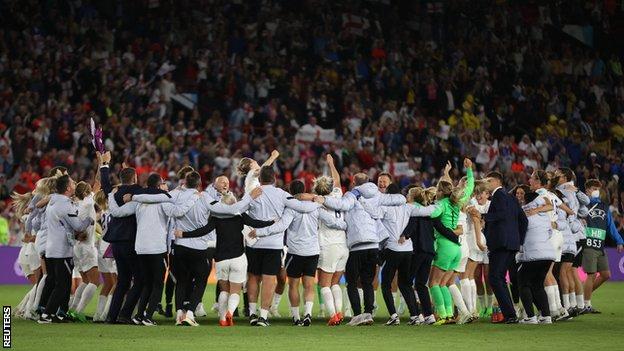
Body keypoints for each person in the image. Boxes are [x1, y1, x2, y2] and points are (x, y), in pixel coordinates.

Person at [315, 173, 405, 326]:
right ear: (369, 181)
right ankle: (368, 313)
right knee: (367, 282)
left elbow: (342, 206)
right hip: (373, 244)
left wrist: (322, 200)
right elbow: (401, 199)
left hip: (357, 245)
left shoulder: (352, 195)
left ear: (353, 182)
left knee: (351, 282)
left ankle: (357, 315)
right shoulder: (377, 195)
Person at [250, 180, 342, 327]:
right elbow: (332, 221)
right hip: (312, 251)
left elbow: (281, 226)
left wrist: (260, 232)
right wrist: (345, 226)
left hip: (295, 252)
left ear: (290, 192)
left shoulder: (290, 209)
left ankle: (296, 317)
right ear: (304, 190)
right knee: (309, 285)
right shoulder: (316, 207)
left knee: (293, 285)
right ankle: (308, 314)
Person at [175, 190, 271, 327]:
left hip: (221, 259)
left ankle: (222, 319)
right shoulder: (240, 216)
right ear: (234, 204)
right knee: (235, 290)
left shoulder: (215, 217)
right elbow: (255, 223)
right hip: (238, 257)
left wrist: (183, 234)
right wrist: (272, 222)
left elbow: (203, 230)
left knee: (224, 290)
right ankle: (230, 312)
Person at [244, 166, 319, 327]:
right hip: (273, 244)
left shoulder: (252, 192)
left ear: (261, 178)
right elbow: (302, 207)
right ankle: (263, 316)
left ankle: (251, 313)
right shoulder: (282, 195)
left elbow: (240, 210)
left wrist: (255, 230)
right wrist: (315, 198)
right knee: (269, 279)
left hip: (253, 243)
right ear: (275, 178)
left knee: (253, 277)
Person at [38, 175, 94, 323]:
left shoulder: (54, 201)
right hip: (61, 250)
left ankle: (55, 314)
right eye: (72, 183)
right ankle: (46, 315)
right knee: (62, 285)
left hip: (53, 248)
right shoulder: (64, 204)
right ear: (68, 188)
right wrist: (89, 219)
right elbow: (78, 226)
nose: (74, 184)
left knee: (61, 283)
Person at [426, 158, 474, 325]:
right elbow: (469, 188)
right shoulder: (457, 203)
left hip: (445, 246)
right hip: (456, 247)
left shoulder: (441, 205)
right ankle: (448, 315)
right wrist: (469, 171)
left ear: (439, 191)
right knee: (444, 284)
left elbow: (429, 214)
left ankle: (443, 315)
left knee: (433, 284)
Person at [483, 171, 528, 324]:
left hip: (500, 243)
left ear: (496, 181)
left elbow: (501, 214)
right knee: (499, 278)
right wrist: (519, 240)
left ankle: (510, 314)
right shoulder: (511, 197)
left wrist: (484, 217)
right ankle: (510, 314)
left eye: (488, 180)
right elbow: (524, 220)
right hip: (511, 244)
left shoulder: (499, 196)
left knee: (495, 278)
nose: (485, 183)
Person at [314, 155, 349, 325]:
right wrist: (331, 164)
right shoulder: (337, 196)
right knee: (335, 282)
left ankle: (333, 315)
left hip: (328, 246)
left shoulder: (319, 204)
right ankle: (339, 312)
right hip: (343, 246)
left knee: (324, 284)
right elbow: (337, 179)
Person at [581, 179, 624, 313]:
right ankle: (586, 304)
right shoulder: (582, 206)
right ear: (587, 191)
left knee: (606, 274)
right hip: (588, 243)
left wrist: (619, 241)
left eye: (597, 189)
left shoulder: (604, 206)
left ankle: (582, 297)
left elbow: (611, 226)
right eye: (593, 188)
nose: (596, 191)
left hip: (600, 245)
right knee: (591, 274)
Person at [517, 191, 556, 324]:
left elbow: (520, 233)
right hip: (548, 254)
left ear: (526, 201)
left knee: (523, 282)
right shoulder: (545, 216)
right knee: (538, 285)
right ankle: (546, 316)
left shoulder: (525, 215)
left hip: (533, 254)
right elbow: (550, 232)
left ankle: (530, 316)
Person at [68, 182, 100, 322]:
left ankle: (72, 309)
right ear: (87, 192)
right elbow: (98, 184)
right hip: (87, 246)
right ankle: (78, 312)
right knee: (94, 282)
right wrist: (102, 164)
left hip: (77, 247)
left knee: (85, 281)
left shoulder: (76, 206)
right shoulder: (88, 202)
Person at [93, 190, 117, 323]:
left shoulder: (100, 214)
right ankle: (105, 314)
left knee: (108, 283)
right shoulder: (114, 212)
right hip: (111, 249)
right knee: (118, 284)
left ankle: (98, 314)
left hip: (101, 248)